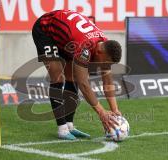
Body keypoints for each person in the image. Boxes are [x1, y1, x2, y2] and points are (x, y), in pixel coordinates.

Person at [32, 10, 122, 140]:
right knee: (58, 77)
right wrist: (102, 112)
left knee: (72, 77)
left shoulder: (104, 45)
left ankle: (69, 126)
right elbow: (84, 84)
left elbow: (107, 81)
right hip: (45, 30)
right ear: (99, 52)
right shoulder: (84, 47)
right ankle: (62, 129)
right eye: (105, 63)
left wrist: (115, 110)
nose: (105, 67)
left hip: (67, 38)